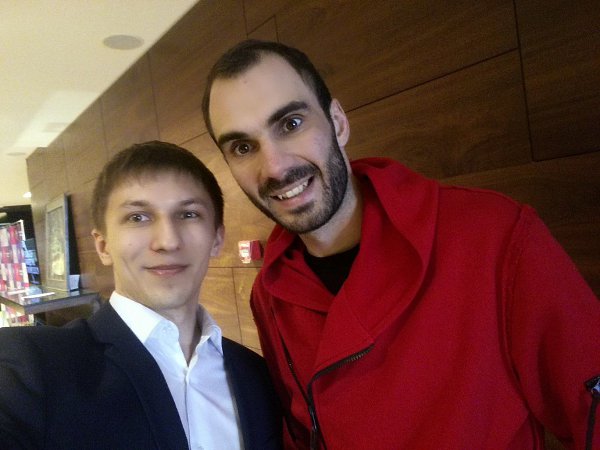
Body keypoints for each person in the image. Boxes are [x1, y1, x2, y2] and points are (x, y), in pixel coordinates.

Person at [201, 40, 600, 449]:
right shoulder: (268, 294)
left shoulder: (492, 234)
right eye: (243, 147)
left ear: (338, 123)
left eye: (291, 124)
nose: (275, 167)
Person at [0, 141, 282, 450]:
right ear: (103, 245)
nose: (168, 241)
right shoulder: (32, 366)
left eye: (188, 214)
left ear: (216, 238)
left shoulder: (257, 375)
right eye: (138, 217)